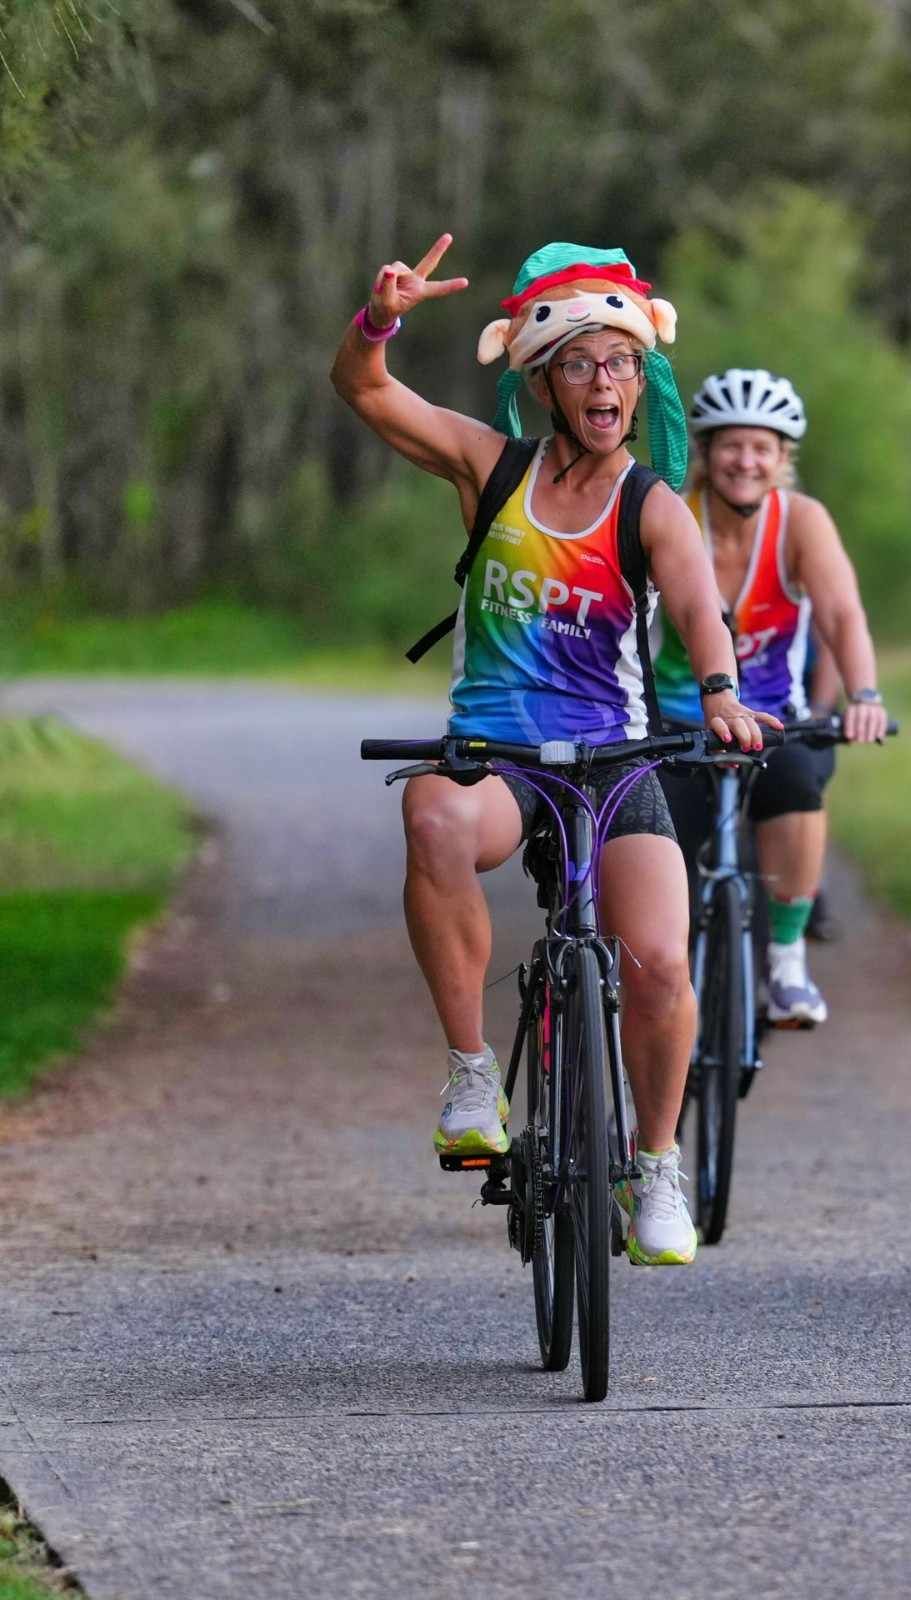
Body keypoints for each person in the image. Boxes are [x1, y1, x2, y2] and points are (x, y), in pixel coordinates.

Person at [331, 234, 777, 1267]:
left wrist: (718, 693)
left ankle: (654, 1165)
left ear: (640, 374)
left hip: (615, 766)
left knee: (662, 960)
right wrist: (380, 320)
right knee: (431, 810)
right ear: (539, 378)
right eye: (577, 361)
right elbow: (364, 390)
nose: (602, 379)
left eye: (618, 360)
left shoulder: (651, 505)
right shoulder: (491, 468)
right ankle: (471, 1070)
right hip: (499, 755)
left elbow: (702, 616)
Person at [652, 369, 888, 1025]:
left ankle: (787, 960)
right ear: (705, 450)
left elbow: (842, 615)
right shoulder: (669, 511)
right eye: (732, 445)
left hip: (774, 719)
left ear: (784, 458)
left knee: (800, 783)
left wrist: (863, 692)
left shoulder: (801, 522)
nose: (746, 461)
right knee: (661, 845)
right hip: (676, 718)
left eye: (763, 448)